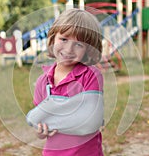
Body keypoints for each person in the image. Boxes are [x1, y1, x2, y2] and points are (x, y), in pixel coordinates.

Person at [31, 8, 104, 156]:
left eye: (79, 44)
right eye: (63, 39)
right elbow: (40, 123)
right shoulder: (42, 82)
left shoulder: (91, 75)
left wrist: (55, 116)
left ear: (88, 50)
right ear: (53, 39)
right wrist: (41, 131)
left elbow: (89, 120)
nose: (69, 49)